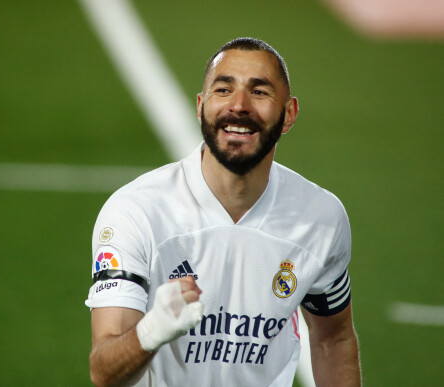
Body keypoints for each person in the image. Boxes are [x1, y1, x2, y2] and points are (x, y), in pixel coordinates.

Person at [85, 37, 361, 386]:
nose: (239, 105)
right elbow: (103, 371)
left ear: (288, 114)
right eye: (223, 90)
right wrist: (151, 331)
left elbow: (332, 339)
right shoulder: (135, 212)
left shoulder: (321, 218)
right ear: (201, 107)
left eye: (259, 92)